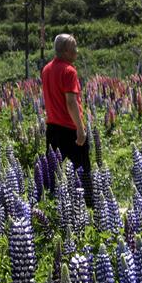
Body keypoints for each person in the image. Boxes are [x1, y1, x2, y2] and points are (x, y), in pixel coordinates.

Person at [41, 33, 93, 206]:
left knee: (52, 172)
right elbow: (71, 102)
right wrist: (80, 128)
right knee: (82, 171)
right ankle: (87, 208)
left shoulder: (46, 69)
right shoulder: (69, 71)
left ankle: (50, 205)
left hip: (52, 128)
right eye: (74, 48)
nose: (77, 51)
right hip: (70, 129)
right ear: (65, 51)